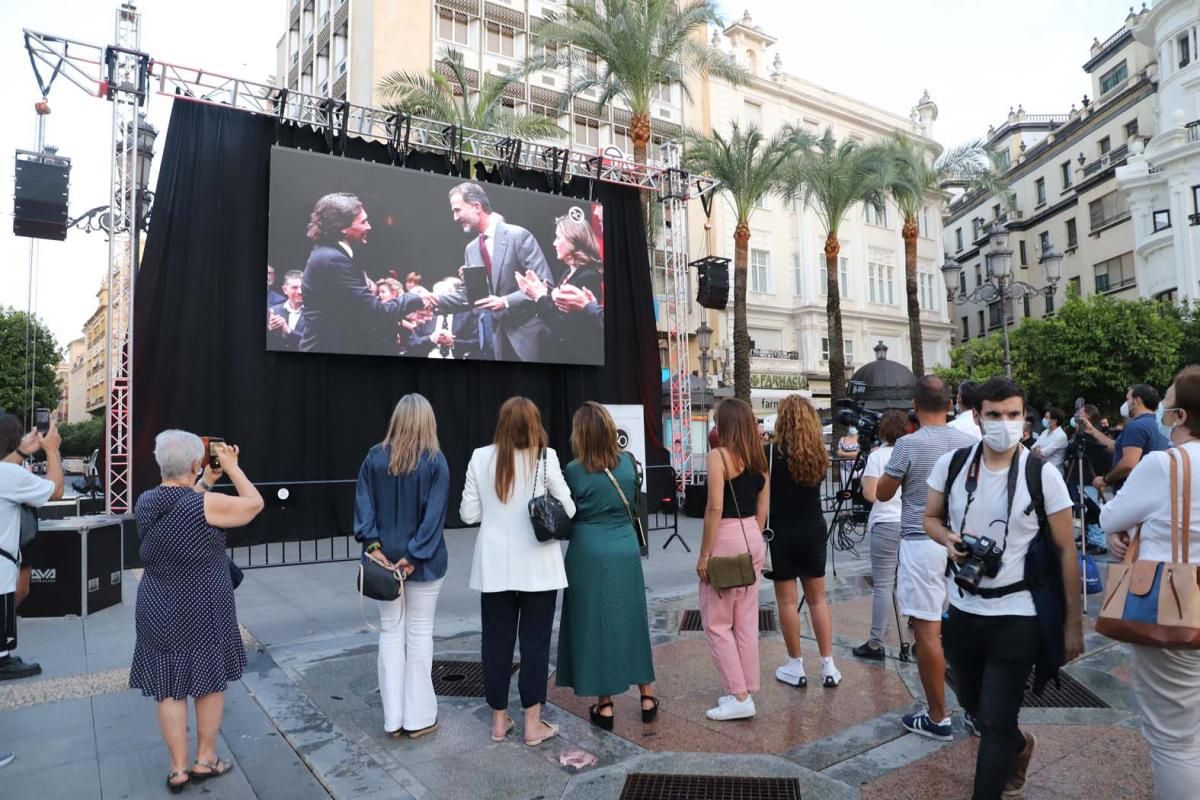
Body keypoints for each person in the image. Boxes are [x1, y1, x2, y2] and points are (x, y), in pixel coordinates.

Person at [924, 377, 1082, 800]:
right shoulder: (953, 465)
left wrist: (1073, 624)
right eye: (994, 415)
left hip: (1018, 614)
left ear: (1024, 418)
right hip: (962, 608)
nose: (1004, 424)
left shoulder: (1041, 474)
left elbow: (1068, 551)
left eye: (1013, 415)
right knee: (975, 706)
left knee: (994, 722)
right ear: (977, 417)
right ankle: (1019, 745)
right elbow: (930, 518)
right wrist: (946, 538)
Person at [131, 431, 263, 793]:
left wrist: (205, 481)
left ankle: (177, 769)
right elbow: (253, 504)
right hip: (203, 602)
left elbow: (183, 506)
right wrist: (233, 469)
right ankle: (205, 759)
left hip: (157, 602)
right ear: (195, 463)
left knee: (169, 687)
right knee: (207, 679)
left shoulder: (145, 501)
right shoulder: (205, 506)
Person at [1099, 366, 1200, 798]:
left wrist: (1128, 527)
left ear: (1179, 416)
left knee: (1174, 737)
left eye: (1167, 402)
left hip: (1176, 607)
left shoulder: (1165, 464)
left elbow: (1111, 517)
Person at [460, 397, 575, 745]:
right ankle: (532, 725)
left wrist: (498, 512)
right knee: (535, 645)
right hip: (539, 567)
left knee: (495, 643)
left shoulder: (481, 457)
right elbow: (568, 507)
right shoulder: (546, 456)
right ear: (535, 424)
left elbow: (468, 514)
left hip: (494, 566)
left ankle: (498, 721)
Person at [875, 375, 979, 741]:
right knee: (970, 628)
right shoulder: (971, 443)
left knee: (928, 631)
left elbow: (883, 494)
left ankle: (938, 716)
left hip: (921, 542)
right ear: (951, 404)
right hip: (963, 544)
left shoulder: (907, 444)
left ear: (914, 407)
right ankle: (980, 713)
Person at [556, 402, 657, 729]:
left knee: (596, 625)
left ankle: (606, 705)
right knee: (632, 619)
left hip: (587, 551)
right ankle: (647, 696)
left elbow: (567, 512)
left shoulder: (573, 470)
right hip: (625, 549)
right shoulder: (628, 463)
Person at [354, 394, 449, 740]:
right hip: (424, 564)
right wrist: (414, 554)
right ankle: (419, 718)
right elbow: (435, 517)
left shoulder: (374, 458)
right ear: (428, 421)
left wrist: (374, 546)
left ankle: (392, 719)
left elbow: (364, 507)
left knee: (390, 633)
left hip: (381, 562)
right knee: (420, 633)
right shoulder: (436, 462)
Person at [697, 398, 769, 721]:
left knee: (717, 622)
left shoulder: (718, 457)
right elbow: (763, 510)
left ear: (725, 425)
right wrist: (754, 535)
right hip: (753, 536)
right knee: (745, 619)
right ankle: (745, 687)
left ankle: (739, 695)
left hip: (725, 537)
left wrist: (704, 554)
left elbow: (714, 507)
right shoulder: (760, 458)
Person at [298, 192, 432, 354]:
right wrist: (415, 297)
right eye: (363, 222)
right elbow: (375, 313)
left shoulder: (329, 254)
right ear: (342, 228)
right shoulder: (333, 260)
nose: (369, 227)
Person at [767, 396, 840, 688]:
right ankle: (828, 665)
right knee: (818, 599)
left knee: (786, 600)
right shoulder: (818, 455)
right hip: (813, 528)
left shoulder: (769, 454)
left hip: (780, 531)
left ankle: (795, 665)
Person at [449, 182, 553, 361]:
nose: (455, 218)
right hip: (496, 342)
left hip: (528, 339)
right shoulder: (471, 249)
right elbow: (470, 296)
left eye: (457, 210)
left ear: (476, 207)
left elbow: (546, 284)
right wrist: (431, 300)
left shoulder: (518, 236)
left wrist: (506, 301)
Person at [0, 415, 64, 682]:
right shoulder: (11, 474)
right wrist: (52, 451)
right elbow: (56, 490)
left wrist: (22, 451)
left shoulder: (6, 471)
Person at [853, 409, 908, 660]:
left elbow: (869, 493)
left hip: (885, 522)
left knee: (884, 585)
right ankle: (917, 638)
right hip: (910, 523)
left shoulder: (877, 457)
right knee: (912, 582)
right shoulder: (911, 451)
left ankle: (876, 643)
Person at [516, 210, 604, 364]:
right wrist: (543, 292)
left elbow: (566, 328)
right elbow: (558, 311)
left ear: (573, 241)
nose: (554, 243)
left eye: (558, 238)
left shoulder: (588, 276)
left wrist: (539, 297)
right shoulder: (567, 272)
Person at [1082, 383, 1170, 495]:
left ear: (1137, 401)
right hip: (1153, 490)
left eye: (1127, 399)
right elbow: (1119, 448)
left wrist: (1105, 480)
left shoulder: (1136, 426)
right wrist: (1092, 431)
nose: (1126, 404)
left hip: (1133, 492)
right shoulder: (1160, 425)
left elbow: (1128, 463)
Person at [1065, 404, 1111, 555]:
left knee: (1092, 509)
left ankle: (1098, 541)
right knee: (1081, 510)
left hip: (1089, 478)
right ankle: (1087, 539)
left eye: (1080, 413)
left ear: (1087, 418)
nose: (1076, 416)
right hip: (1077, 477)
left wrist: (1103, 478)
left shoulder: (1093, 437)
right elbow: (1070, 452)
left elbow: (1103, 457)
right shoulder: (1079, 435)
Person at [267, 269, 306, 351]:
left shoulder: (314, 313)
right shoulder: (273, 310)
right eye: (294, 287)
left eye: (303, 287)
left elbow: (314, 342)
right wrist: (269, 329)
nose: (300, 291)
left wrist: (288, 331)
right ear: (285, 289)